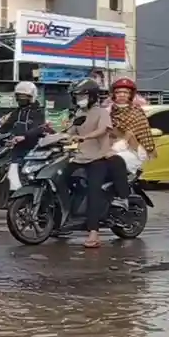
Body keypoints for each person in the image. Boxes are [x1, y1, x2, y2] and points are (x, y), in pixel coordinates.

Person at [64, 78, 117, 249]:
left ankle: (94, 233)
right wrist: (56, 136)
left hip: (98, 158)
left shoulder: (102, 113)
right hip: (79, 158)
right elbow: (70, 132)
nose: (79, 98)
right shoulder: (79, 114)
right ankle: (64, 218)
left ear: (93, 96)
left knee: (93, 191)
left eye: (82, 95)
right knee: (60, 179)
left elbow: (102, 130)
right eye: (77, 95)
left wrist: (84, 137)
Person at [107, 78, 154, 202]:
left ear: (131, 95)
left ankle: (122, 197)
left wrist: (116, 147)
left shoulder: (137, 113)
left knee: (114, 162)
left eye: (125, 92)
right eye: (118, 92)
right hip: (107, 149)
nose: (122, 95)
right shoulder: (108, 112)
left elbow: (134, 136)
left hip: (132, 151)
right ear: (113, 94)